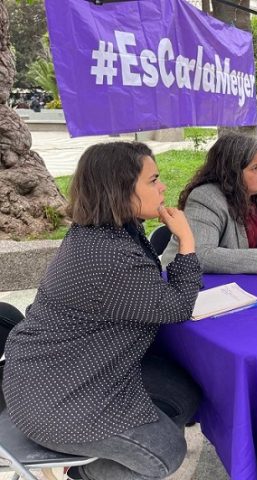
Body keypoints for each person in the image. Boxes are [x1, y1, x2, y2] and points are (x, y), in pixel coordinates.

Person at [2, 142, 202, 480]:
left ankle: (102, 445)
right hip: (55, 398)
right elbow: (177, 306)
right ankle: (78, 472)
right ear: (121, 191)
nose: (163, 186)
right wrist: (187, 243)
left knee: (184, 396)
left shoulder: (108, 230)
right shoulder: (109, 256)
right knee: (166, 453)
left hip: (73, 368)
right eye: (153, 180)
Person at [162, 132, 257, 274]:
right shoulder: (206, 198)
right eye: (255, 168)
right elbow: (201, 255)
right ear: (232, 173)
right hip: (193, 284)